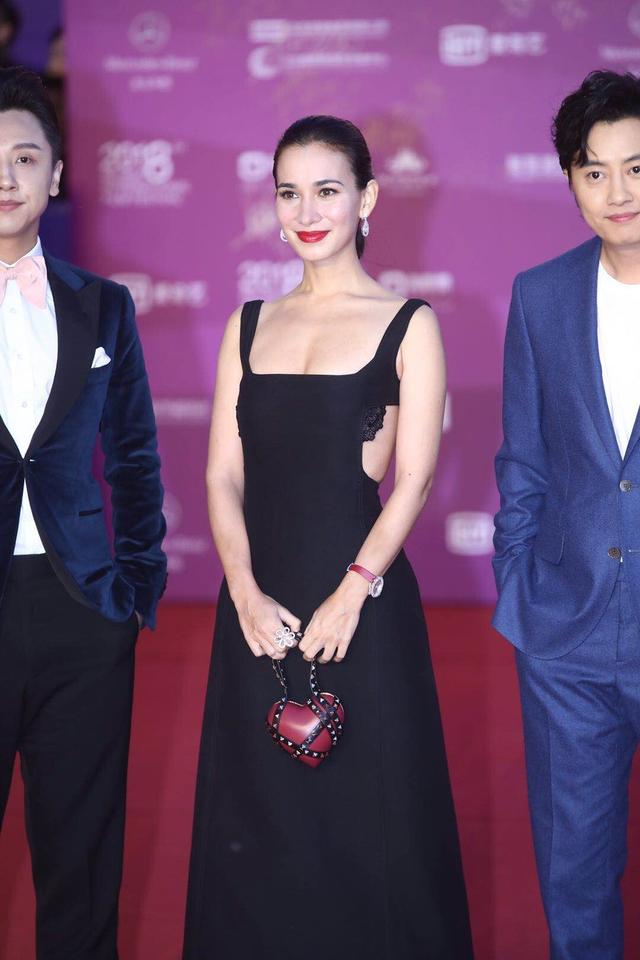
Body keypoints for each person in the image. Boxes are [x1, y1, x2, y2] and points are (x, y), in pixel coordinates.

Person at [182, 115, 473, 960]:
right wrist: (242, 591)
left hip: (362, 606)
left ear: (367, 199)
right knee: (257, 821)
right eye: (289, 192)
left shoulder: (409, 323)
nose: (306, 212)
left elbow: (414, 478)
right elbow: (220, 476)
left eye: (328, 190)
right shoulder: (248, 325)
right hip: (258, 609)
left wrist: (354, 589)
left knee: (370, 824)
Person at [0, 67, 166, 957]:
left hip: (83, 609)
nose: (7, 177)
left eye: (25, 157)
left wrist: (134, 588)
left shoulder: (103, 304)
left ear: (56, 174)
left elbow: (134, 455)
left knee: (83, 860)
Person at [493, 70, 640, 959]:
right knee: (575, 881)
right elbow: (524, 461)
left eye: (637, 167)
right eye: (594, 171)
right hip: (567, 635)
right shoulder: (540, 295)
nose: (617, 191)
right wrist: (522, 589)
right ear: (571, 182)